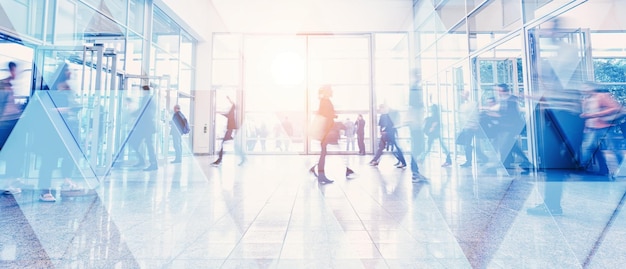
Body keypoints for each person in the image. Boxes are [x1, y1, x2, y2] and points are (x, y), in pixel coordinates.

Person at [36, 63, 83, 202]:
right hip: (52, 130)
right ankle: (45, 190)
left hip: (67, 128)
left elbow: (73, 106)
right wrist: (63, 110)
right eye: (68, 70)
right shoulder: (50, 89)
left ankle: (66, 181)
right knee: (49, 159)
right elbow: (43, 109)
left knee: (69, 156)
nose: (71, 72)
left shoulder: (68, 89)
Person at [309, 85, 355, 184]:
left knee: (324, 152)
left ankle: (318, 170)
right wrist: (337, 123)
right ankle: (321, 173)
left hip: (326, 130)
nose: (332, 91)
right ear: (327, 91)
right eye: (330, 90)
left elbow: (325, 114)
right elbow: (326, 116)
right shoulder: (325, 101)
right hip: (326, 131)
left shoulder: (324, 101)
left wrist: (333, 116)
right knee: (326, 151)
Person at [578, 82, 623, 177]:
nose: (582, 89)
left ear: (592, 88)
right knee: (590, 148)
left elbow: (615, 108)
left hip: (604, 127)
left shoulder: (602, 96)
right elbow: (587, 113)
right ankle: (600, 169)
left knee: (613, 148)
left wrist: (596, 114)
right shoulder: (586, 99)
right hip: (591, 128)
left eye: (585, 87)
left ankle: (621, 168)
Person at [493, 84, 532, 174]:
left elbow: (512, 114)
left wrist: (499, 115)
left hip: (510, 127)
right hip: (505, 127)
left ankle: (505, 163)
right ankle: (525, 162)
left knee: (506, 145)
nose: (498, 92)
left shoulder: (511, 99)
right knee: (512, 146)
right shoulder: (504, 100)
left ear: (504, 90)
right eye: (497, 91)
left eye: (499, 90)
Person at [0, 62, 25, 195]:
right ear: (11, 70)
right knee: (11, 154)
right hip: (5, 124)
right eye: (17, 71)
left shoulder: (9, 86)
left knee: (13, 154)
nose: (18, 74)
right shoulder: (3, 85)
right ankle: (9, 183)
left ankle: (10, 182)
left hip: (10, 123)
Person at [129, 85, 158, 171]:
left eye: (142, 91)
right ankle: (145, 161)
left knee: (137, 142)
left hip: (146, 126)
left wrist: (132, 114)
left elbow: (142, 110)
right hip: (146, 126)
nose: (141, 92)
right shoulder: (151, 99)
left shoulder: (147, 98)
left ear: (145, 91)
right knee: (143, 143)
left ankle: (152, 163)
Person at [369, 104, 406, 168]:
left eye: (381, 109)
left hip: (389, 134)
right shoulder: (385, 116)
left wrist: (383, 131)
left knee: (393, 148)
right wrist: (382, 132)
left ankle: (402, 162)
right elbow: (383, 126)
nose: (380, 110)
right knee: (382, 147)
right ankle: (375, 160)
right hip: (387, 134)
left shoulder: (387, 116)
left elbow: (387, 125)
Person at [457, 91, 488, 167]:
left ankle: (470, 161)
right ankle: (481, 158)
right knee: (466, 144)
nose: (462, 95)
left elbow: (475, 115)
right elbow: (462, 117)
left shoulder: (472, 104)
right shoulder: (462, 105)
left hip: (470, 127)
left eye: (464, 94)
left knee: (467, 145)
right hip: (465, 127)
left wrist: (475, 124)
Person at [212, 96, 245, 165]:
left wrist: (229, 99)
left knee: (224, 144)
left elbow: (233, 104)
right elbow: (226, 115)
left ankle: (220, 160)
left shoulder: (232, 110)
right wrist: (219, 113)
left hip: (230, 130)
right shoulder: (230, 113)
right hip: (230, 130)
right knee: (231, 145)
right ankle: (243, 158)